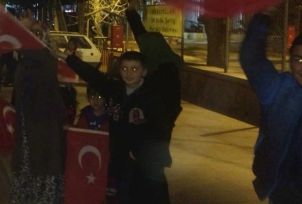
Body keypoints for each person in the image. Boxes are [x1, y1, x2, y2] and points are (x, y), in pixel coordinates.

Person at [59, 49, 178, 204]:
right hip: (122, 158)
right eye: (124, 68)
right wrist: (70, 59)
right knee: (123, 195)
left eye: (134, 69)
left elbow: (162, 129)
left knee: (152, 196)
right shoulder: (116, 90)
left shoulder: (152, 97)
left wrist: (141, 152)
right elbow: (94, 77)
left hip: (148, 162)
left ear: (144, 71)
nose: (129, 73)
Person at [240, 10, 302, 203]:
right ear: (290, 62)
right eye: (299, 60)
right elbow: (252, 59)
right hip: (284, 190)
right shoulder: (278, 89)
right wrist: (264, 14)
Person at [11, 20, 67, 204]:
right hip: (27, 122)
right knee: (27, 163)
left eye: (37, 32)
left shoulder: (46, 57)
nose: (33, 35)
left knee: (43, 164)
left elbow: (39, 58)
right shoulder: (24, 59)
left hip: (44, 124)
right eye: (30, 32)